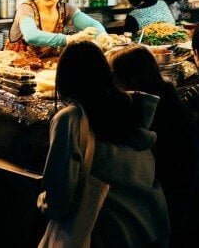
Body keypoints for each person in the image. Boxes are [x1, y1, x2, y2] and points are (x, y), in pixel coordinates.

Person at [40, 41, 169, 247]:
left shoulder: (71, 119)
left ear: (64, 79)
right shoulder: (130, 110)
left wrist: (41, 201)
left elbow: (58, 200)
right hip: (144, 230)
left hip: (101, 233)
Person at [108, 45, 196, 247]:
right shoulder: (166, 96)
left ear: (131, 78)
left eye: (114, 75)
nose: (111, 82)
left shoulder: (147, 111)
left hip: (165, 197)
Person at [7, 0, 106, 58]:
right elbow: (31, 36)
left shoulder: (65, 10)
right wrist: (69, 39)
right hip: (15, 70)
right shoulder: (26, 8)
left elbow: (94, 25)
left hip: (47, 69)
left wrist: (102, 36)